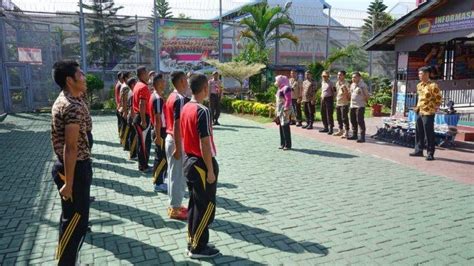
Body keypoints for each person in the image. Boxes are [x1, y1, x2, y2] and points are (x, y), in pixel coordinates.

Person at [50, 60, 92, 265]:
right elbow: (71, 146)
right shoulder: (71, 106)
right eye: (81, 74)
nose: (84, 78)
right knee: (75, 223)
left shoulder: (71, 99)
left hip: (75, 167)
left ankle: (67, 261)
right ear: (69, 80)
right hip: (74, 168)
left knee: (72, 220)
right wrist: (69, 182)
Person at [181, 73, 220, 259]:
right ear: (205, 88)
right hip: (201, 164)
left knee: (195, 205)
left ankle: (196, 240)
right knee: (205, 206)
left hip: (190, 161)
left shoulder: (186, 106)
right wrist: (210, 170)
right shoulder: (202, 110)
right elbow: (205, 143)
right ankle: (197, 247)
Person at [164, 71, 190, 220]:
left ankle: (175, 205)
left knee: (174, 174)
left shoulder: (171, 97)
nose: (187, 82)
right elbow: (177, 123)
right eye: (185, 79)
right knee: (177, 176)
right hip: (176, 140)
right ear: (181, 81)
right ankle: (175, 208)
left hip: (172, 139)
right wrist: (179, 148)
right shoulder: (179, 99)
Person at [410, 66, 442, 161]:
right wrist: (417, 107)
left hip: (429, 112)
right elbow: (420, 98)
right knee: (419, 131)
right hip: (419, 111)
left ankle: (430, 153)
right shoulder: (419, 85)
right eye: (419, 74)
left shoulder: (433, 85)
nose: (420, 76)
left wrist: (435, 107)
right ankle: (418, 150)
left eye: (422, 74)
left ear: (427, 74)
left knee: (429, 133)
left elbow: (439, 98)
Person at [149, 74, 168, 193]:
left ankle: (159, 180)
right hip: (160, 131)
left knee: (162, 156)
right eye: (162, 81)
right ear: (156, 84)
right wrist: (157, 135)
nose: (164, 83)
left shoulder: (157, 97)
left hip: (161, 130)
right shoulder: (157, 99)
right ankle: (158, 183)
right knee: (161, 157)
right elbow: (157, 118)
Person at [132, 66, 152, 172]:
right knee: (144, 143)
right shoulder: (143, 87)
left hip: (139, 116)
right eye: (146, 72)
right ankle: (143, 166)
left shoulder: (138, 85)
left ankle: (143, 165)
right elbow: (142, 104)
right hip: (142, 117)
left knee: (143, 142)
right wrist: (143, 121)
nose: (148, 74)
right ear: (142, 74)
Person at [348, 72, 369, 143]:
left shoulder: (363, 85)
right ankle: (354, 135)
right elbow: (351, 94)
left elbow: (367, 96)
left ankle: (362, 137)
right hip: (352, 105)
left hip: (360, 106)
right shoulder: (352, 85)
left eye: (355, 77)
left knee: (360, 121)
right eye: (352, 77)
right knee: (352, 120)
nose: (353, 79)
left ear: (359, 77)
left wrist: (362, 93)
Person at [275, 75, 292, 150]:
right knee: (281, 126)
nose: (276, 82)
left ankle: (287, 145)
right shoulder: (279, 88)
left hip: (285, 110)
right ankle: (282, 143)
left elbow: (288, 99)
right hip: (280, 110)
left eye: (277, 81)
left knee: (285, 126)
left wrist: (286, 108)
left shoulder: (286, 88)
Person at [333, 70, 350, 138]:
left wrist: (344, 88)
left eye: (340, 75)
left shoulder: (346, 83)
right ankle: (340, 130)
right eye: (338, 75)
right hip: (338, 103)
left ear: (344, 76)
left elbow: (347, 94)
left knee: (344, 118)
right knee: (339, 118)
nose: (338, 76)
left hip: (344, 103)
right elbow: (337, 92)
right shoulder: (337, 83)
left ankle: (346, 132)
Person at [126, 78, 138, 159]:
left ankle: (133, 153)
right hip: (132, 117)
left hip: (130, 116)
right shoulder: (133, 93)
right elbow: (132, 108)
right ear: (133, 85)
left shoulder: (130, 92)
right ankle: (133, 154)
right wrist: (134, 120)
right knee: (133, 137)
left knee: (132, 136)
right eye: (136, 83)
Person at [114, 71, 124, 137]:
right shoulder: (120, 85)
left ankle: (120, 135)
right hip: (120, 107)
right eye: (122, 76)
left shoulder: (118, 84)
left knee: (120, 122)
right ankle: (121, 136)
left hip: (118, 106)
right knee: (121, 123)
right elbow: (120, 98)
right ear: (119, 77)